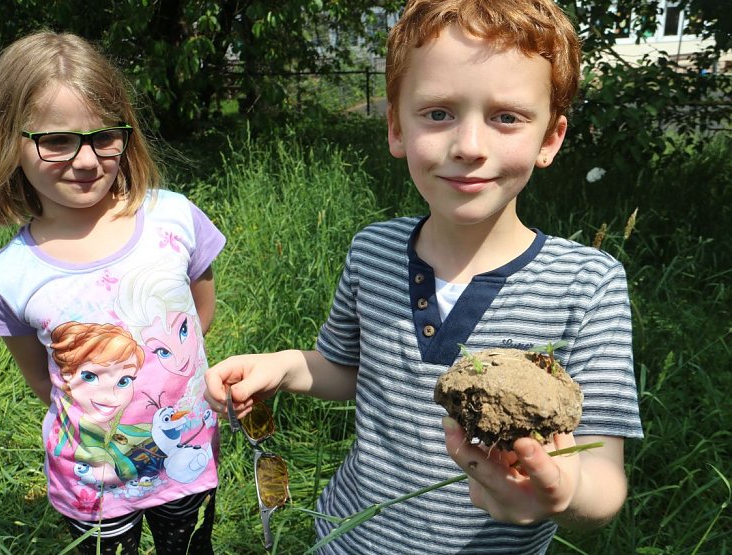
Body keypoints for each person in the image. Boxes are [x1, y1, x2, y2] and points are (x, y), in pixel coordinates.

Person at [203, 1, 642, 553]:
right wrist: (285, 366)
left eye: (506, 116)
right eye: (438, 113)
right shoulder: (374, 250)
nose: (469, 147)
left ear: (550, 139)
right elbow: (347, 369)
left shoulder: (587, 283)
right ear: (396, 127)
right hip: (348, 538)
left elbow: (604, 480)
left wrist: (564, 490)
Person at [0, 30, 226, 554]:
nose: (86, 161)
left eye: (104, 136)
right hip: (92, 484)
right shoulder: (9, 274)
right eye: (56, 140)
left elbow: (199, 313)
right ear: (6, 143)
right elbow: (44, 377)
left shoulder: (174, 218)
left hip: (187, 455)